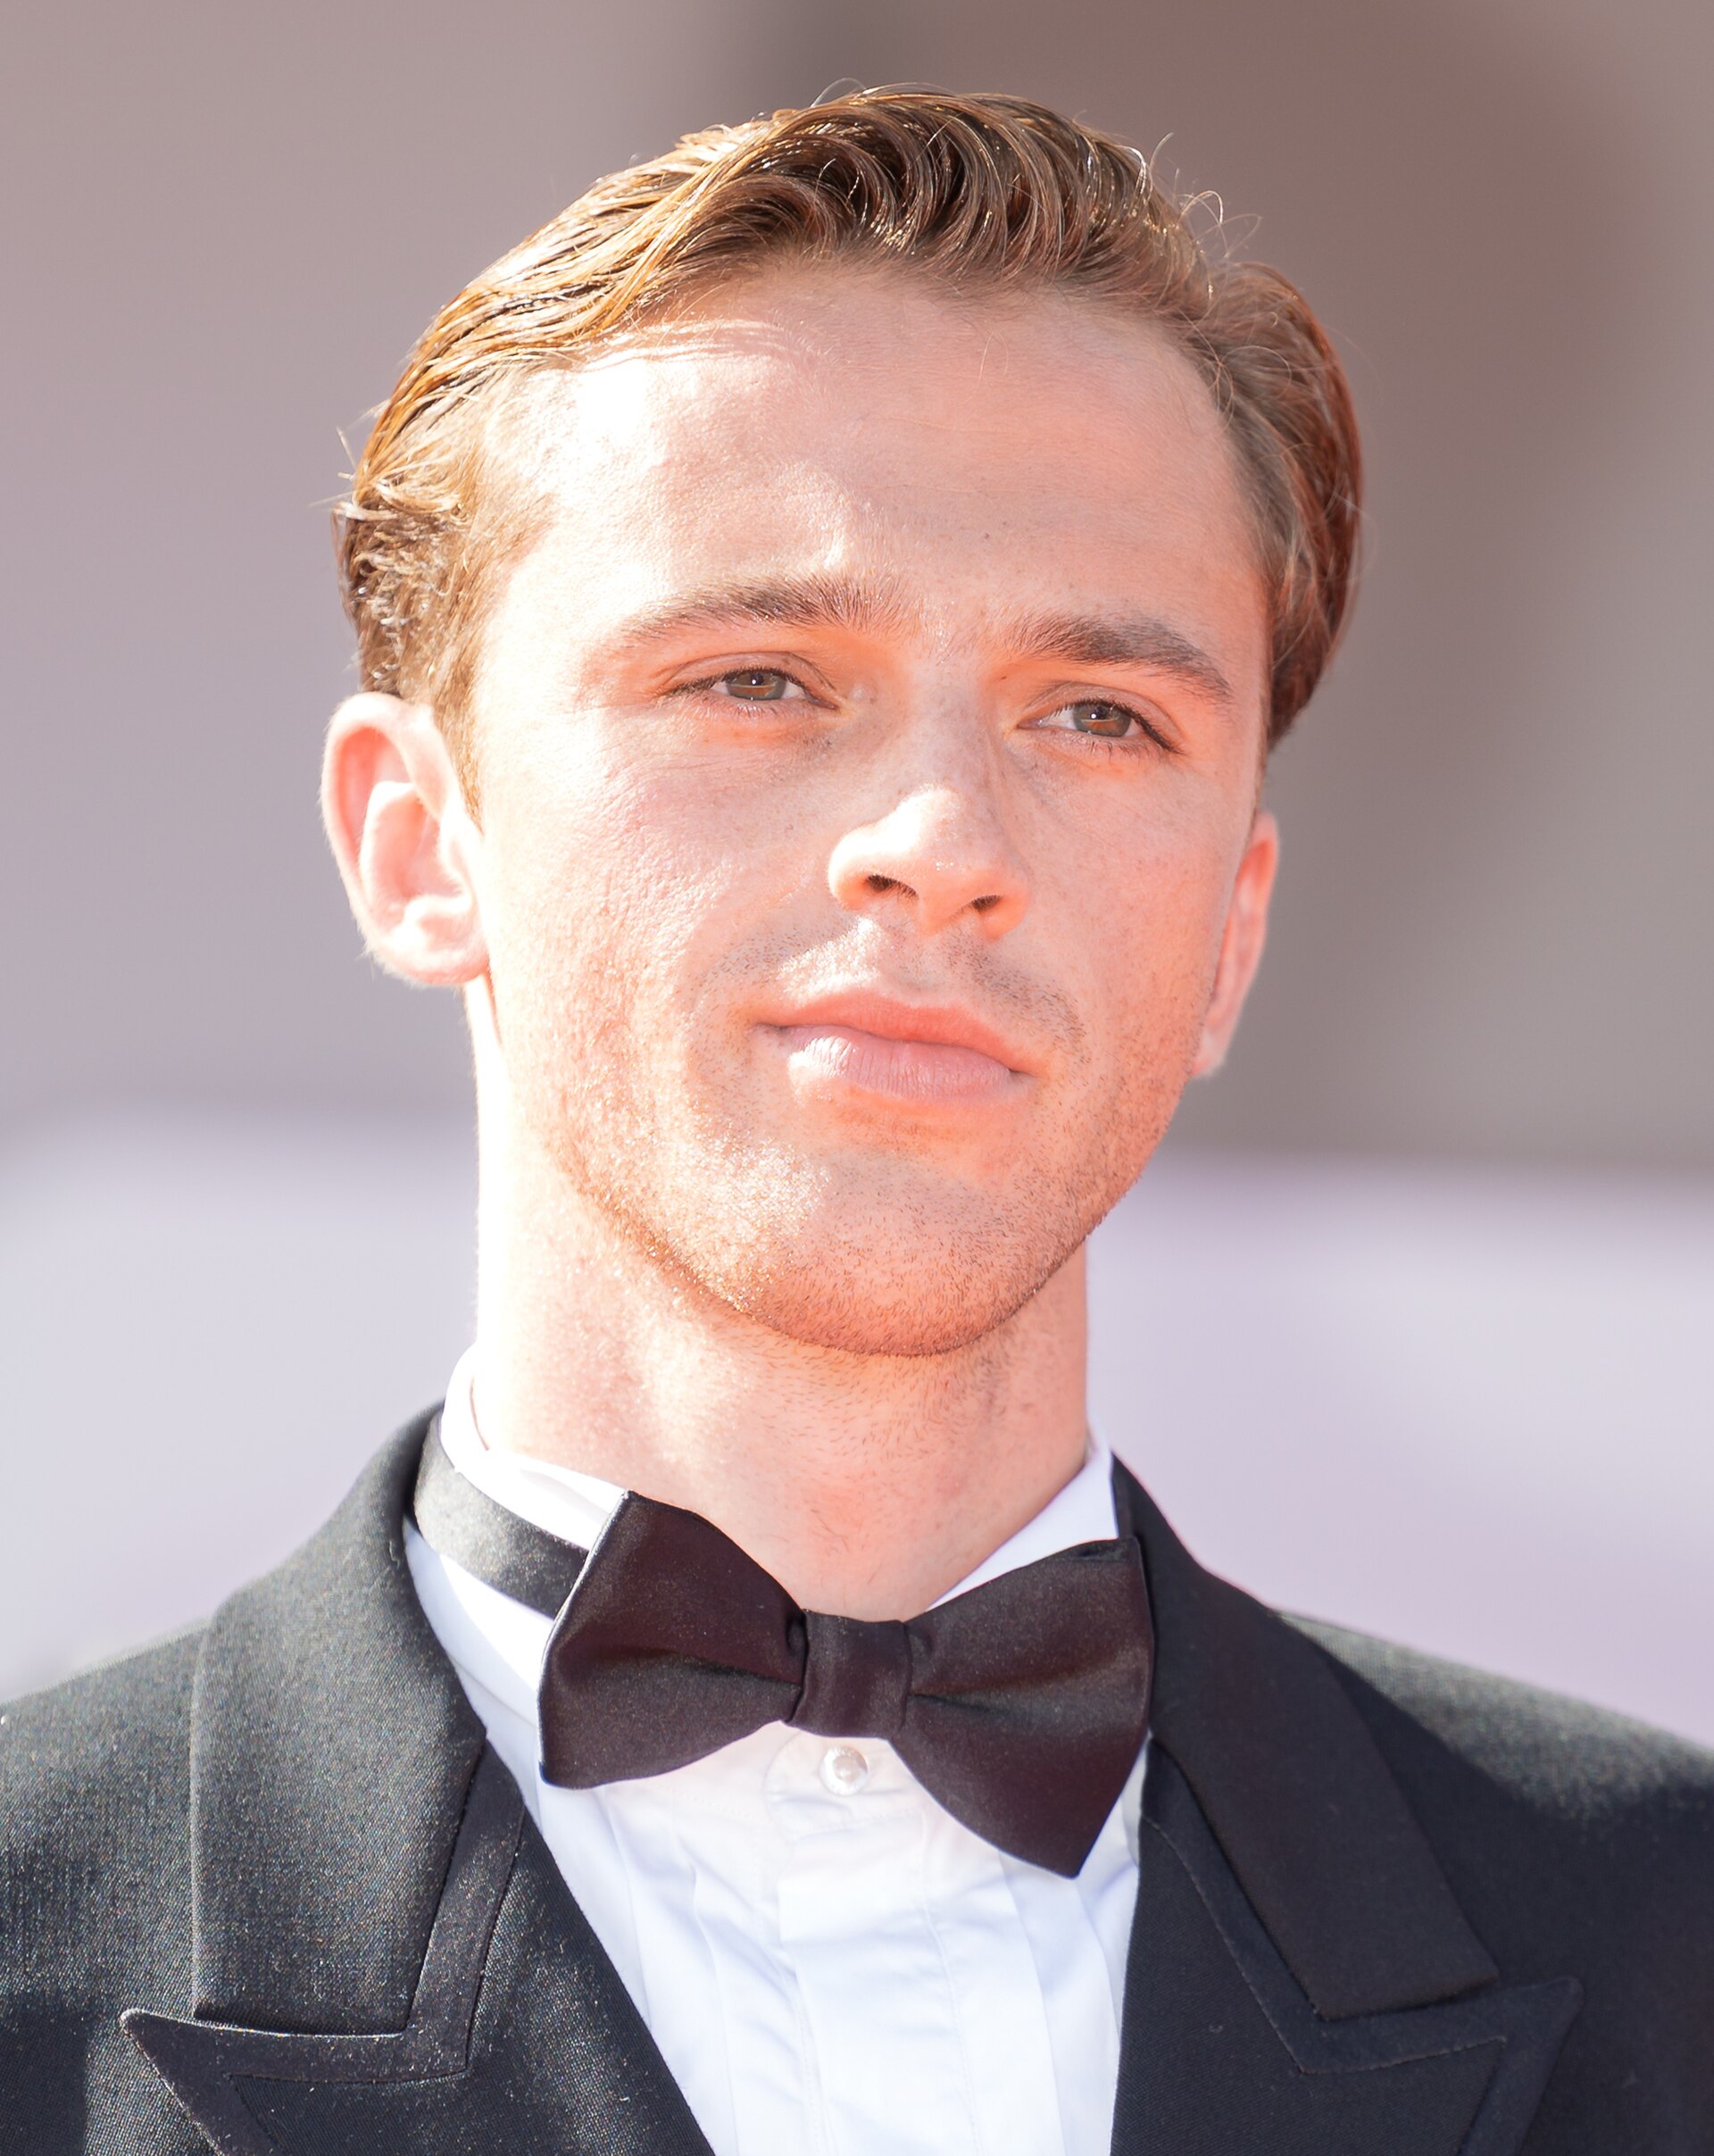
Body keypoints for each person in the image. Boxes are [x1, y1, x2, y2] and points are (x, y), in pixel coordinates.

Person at [1, 87, 1708, 2156]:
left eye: (1100, 715)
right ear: (415, 836)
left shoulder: (1669, 1946)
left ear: (1233, 928)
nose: (938, 842)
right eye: (759, 678)